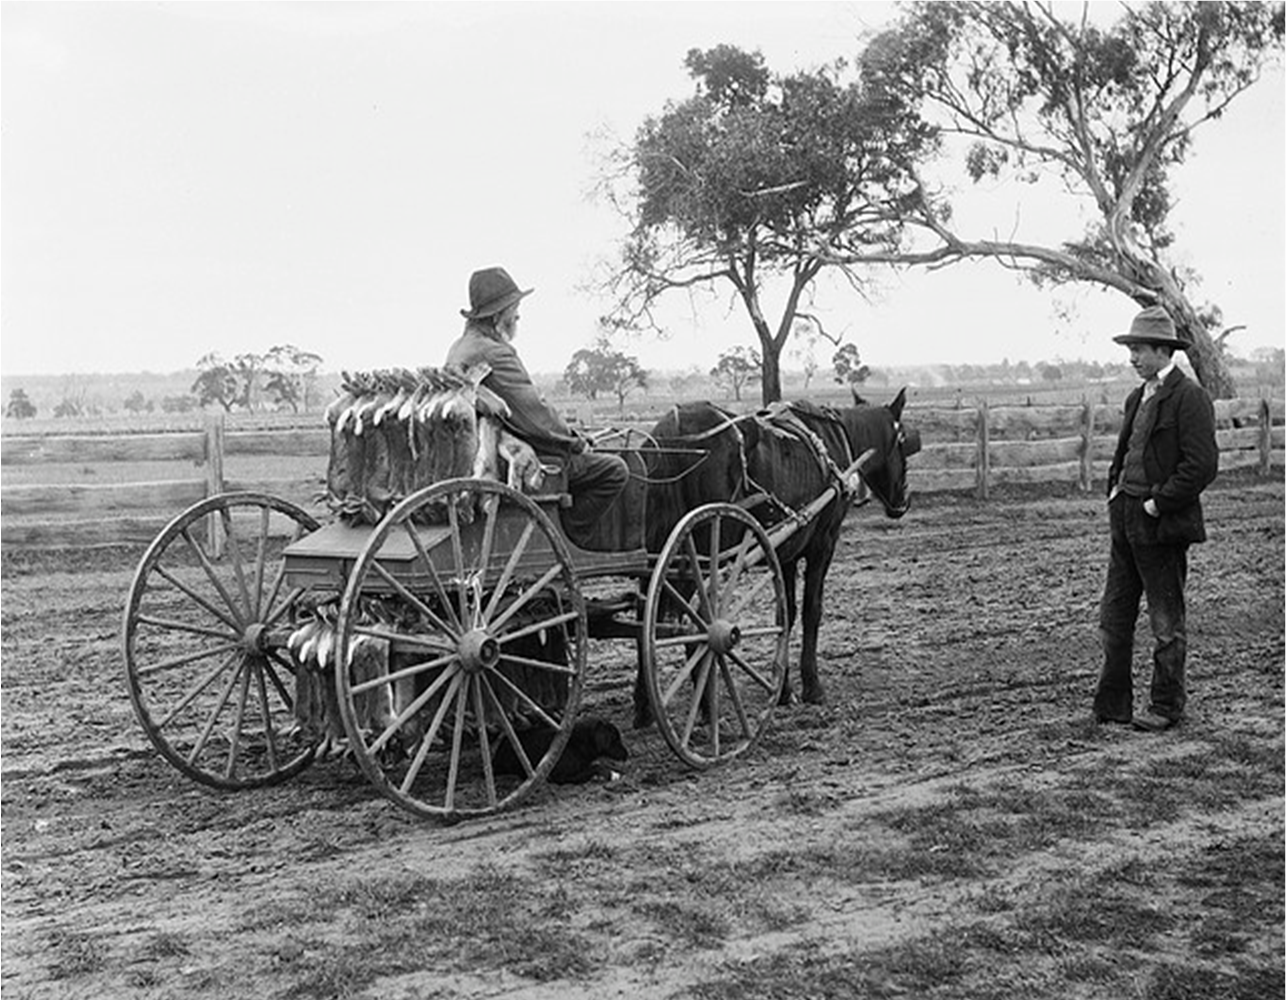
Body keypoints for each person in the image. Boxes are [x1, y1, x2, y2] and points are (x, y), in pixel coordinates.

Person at [1094, 305, 1218, 732]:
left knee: (1166, 623)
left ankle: (1166, 708)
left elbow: (1201, 465)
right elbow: (1126, 454)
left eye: (1139, 350)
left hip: (1160, 524)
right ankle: (1113, 707)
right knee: (1114, 618)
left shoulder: (1190, 397)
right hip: (1124, 520)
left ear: (1164, 350)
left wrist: (1158, 503)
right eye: (1130, 349)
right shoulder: (1137, 396)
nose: (1132, 358)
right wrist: (1116, 494)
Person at [445, 266, 629, 548]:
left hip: (479, 447)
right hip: (517, 452)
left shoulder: (459, 348)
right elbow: (535, 414)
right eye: (514, 309)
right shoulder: (495, 352)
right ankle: (570, 541)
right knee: (615, 470)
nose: (518, 316)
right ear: (498, 315)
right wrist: (574, 441)